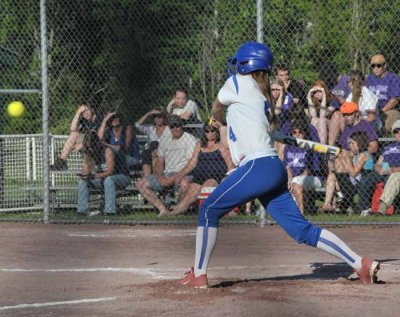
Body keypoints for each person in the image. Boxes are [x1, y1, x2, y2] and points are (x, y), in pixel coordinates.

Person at [177, 42, 380, 289]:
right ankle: (361, 263)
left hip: (257, 166)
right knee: (302, 231)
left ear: (246, 65)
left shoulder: (238, 83)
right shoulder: (262, 97)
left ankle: (198, 274)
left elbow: (217, 108)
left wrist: (220, 119)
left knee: (208, 209)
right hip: (272, 167)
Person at [135, 115, 197, 217]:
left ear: (182, 126)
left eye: (177, 126)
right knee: (140, 184)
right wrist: (160, 177)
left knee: (185, 183)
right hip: (166, 174)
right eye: (172, 126)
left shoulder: (189, 139)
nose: (175, 129)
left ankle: (179, 211)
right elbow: (159, 161)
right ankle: (163, 210)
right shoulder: (165, 140)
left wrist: (175, 177)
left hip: (183, 173)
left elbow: (191, 163)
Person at [169, 123, 234, 215]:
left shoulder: (221, 145)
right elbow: (191, 163)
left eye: (212, 130)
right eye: (207, 131)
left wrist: (227, 178)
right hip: (200, 177)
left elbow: (230, 165)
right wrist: (180, 174)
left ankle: (204, 213)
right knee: (191, 191)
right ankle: (173, 213)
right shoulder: (199, 145)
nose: (210, 133)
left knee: (207, 186)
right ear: (204, 133)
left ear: (217, 132)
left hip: (216, 177)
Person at [76, 130, 131, 216]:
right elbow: (86, 170)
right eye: (88, 147)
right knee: (83, 182)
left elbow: (110, 171)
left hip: (121, 177)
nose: (90, 149)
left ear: (97, 144)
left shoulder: (107, 150)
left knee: (109, 180)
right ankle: (81, 211)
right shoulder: (89, 152)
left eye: (92, 146)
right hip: (103, 179)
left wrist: (94, 176)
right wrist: (85, 175)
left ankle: (110, 212)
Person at [358, 120, 400, 216]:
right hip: (383, 171)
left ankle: (384, 209)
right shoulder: (387, 147)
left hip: (396, 172)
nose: (398, 133)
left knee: (390, 180)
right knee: (365, 181)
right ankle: (365, 210)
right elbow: (378, 163)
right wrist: (379, 169)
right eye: (396, 131)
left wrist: (394, 170)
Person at [284, 122, 323, 214]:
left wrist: (293, 179)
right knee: (293, 183)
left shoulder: (309, 147)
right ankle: (295, 213)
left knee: (296, 181)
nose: (297, 135)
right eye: (294, 132)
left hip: (314, 178)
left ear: (304, 133)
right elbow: (287, 167)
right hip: (294, 180)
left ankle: (300, 213)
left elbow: (308, 171)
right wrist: (289, 178)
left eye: (300, 132)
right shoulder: (288, 147)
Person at [50, 104, 101, 171]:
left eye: (86, 110)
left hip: (98, 147)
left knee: (84, 138)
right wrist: (78, 113)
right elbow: (72, 129)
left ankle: (61, 162)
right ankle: (61, 162)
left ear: (92, 109)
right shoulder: (84, 121)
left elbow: (98, 137)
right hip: (87, 147)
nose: (85, 114)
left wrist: (82, 144)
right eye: (82, 113)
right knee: (74, 134)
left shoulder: (99, 118)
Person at [365, 53, 400, 133]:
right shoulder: (370, 79)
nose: (375, 68)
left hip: (387, 110)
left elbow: (395, 99)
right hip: (371, 110)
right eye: (373, 66)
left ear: (385, 65)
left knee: (394, 115)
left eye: (378, 65)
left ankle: (381, 135)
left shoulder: (393, 78)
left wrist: (381, 112)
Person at [135, 107, 171, 177]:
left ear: (164, 117)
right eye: (155, 116)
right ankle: (147, 178)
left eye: (160, 116)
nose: (157, 119)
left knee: (155, 144)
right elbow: (137, 125)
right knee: (147, 151)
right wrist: (148, 113)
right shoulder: (151, 129)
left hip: (165, 153)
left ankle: (155, 177)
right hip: (151, 154)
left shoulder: (169, 128)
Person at [306, 80, 334, 144]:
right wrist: (309, 97)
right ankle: (315, 144)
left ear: (324, 90)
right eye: (315, 92)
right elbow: (313, 115)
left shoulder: (332, 99)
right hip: (320, 127)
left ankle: (322, 146)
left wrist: (324, 95)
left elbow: (323, 114)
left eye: (320, 91)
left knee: (322, 119)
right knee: (314, 119)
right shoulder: (313, 100)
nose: (317, 93)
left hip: (332, 126)